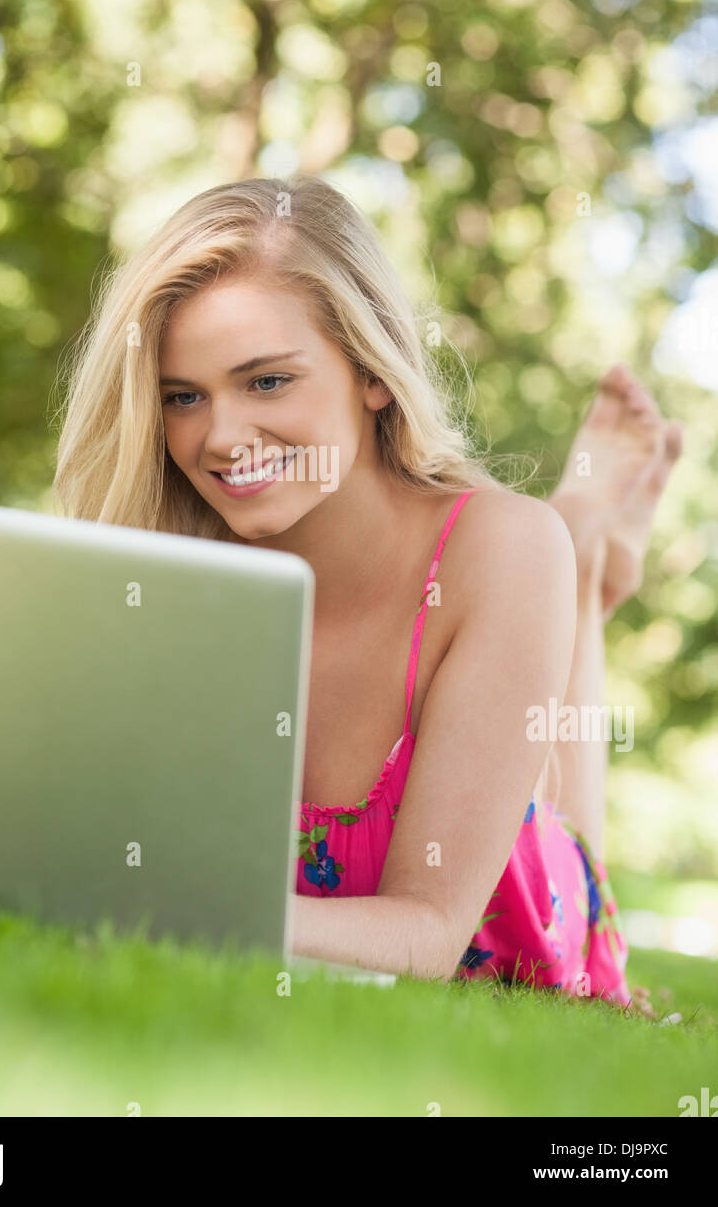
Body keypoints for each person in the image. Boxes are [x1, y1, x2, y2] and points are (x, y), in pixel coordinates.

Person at [53, 174, 683, 1007]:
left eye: (267, 381)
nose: (223, 436)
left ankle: (583, 568)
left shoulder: (500, 546)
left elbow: (427, 932)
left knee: (557, 835)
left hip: (514, 914)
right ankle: (582, 573)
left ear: (372, 371)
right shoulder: (163, 569)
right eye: (183, 398)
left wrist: (185, 911)